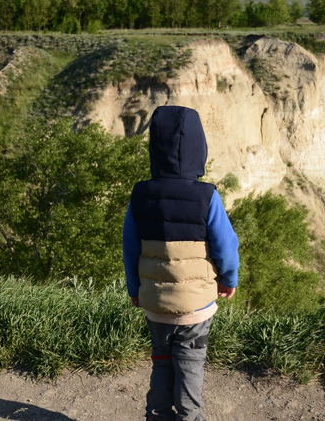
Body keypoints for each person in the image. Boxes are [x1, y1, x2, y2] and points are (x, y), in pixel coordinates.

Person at [122, 105, 240, 421]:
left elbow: (130, 248)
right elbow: (226, 247)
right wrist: (228, 279)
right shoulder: (206, 196)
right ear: (198, 149)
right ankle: (190, 417)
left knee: (161, 361)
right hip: (195, 309)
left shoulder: (140, 194)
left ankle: (158, 415)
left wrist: (136, 288)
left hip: (155, 304)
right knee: (190, 364)